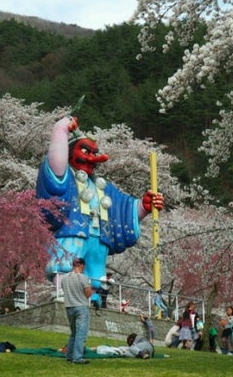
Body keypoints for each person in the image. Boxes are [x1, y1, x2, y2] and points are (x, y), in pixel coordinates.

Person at [35, 116, 164, 287]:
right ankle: (61, 294)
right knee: (66, 265)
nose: (92, 158)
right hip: (72, 230)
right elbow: (56, 167)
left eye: (94, 154)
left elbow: (122, 209)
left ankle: (94, 299)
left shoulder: (103, 188)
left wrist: (142, 207)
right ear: (69, 152)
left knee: (95, 276)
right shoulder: (66, 178)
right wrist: (60, 130)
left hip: (100, 236)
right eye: (86, 152)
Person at [61, 257, 93, 365]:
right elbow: (88, 294)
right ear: (81, 265)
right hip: (81, 307)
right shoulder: (83, 278)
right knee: (81, 334)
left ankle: (69, 355)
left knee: (73, 333)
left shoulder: (64, 278)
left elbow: (64, 289)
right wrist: (91, 288)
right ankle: (77, 357)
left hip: (69, 306)